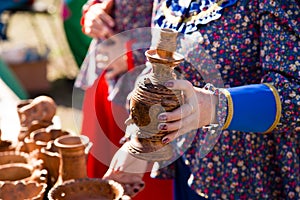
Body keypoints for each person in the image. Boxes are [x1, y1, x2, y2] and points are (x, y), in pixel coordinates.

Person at [103, 0, 300, 199]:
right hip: (189, 165)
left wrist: (212, 106)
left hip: (256, 174)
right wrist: (140, 139)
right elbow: (161, 71)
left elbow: (294, 96)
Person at [76, 0, 174, 199]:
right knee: (99, 179)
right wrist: (94, 12)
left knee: (140, 185)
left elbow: (194, 28)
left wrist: (133, 55)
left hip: (150, 94)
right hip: (107, 82)